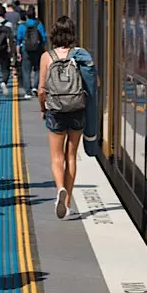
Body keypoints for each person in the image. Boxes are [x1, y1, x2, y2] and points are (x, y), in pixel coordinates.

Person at [38, 16, 90, 220]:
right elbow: (94, 82)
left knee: (56, 157)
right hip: (77, 109)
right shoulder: (80, 55)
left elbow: (42, 89)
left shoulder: (46, 57)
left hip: (55, 109)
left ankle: (60, 189)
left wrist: (43, 108)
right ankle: (67, 203)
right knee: (71, 156)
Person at [17, 6, 48, 100]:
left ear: (26, 16)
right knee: (38, 69)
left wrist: (18, 53)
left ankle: (27, 91)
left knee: (26, 71)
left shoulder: (22, 26)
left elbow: (18, 40)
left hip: (25, 50)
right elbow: (44, 38)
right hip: (38, 50)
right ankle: (35, 86)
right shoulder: (39, 24)